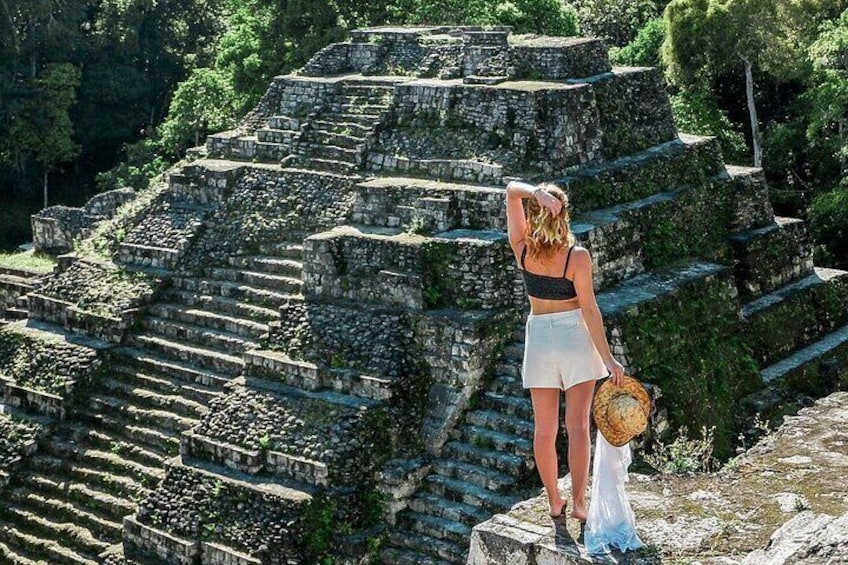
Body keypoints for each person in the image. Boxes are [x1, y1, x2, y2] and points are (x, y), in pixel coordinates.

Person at [505, 179, 626, 526]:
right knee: (577, 427)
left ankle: (553, 501)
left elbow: (511, 189)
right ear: (564, 216)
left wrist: (534, 193)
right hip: (574, 337)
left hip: (540, 338)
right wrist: (608, 358)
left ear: (534, 212)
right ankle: (578, 503)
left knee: (544, 430)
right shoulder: (577, 257)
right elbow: (589, 310)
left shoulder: (522, 248)